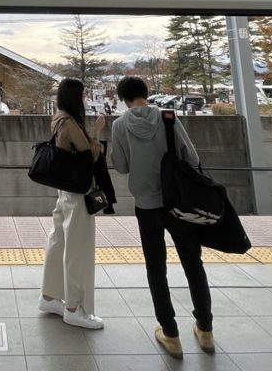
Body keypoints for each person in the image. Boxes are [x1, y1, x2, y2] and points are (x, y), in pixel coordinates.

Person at [112, 75, 214, 359]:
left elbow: (120, 166)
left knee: (156, 268)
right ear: (146, 93)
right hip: (179, 204)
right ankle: (205, 329)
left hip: (146, 206)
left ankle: (170, 334)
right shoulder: (169, 117)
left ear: (123, 98)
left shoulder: (120, 125)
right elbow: (191, 158)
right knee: (193, 263)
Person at [39, 78, 107, 330]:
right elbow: (91, 154)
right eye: (83, 96)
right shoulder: (69, 123)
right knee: (78, 248)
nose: (85, 100)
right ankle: (74, 308)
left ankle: (49, 297)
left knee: (59, 241)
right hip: (78, 193)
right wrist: (98, 130)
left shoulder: (59, 118)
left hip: (65, 190)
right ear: (75, 97)